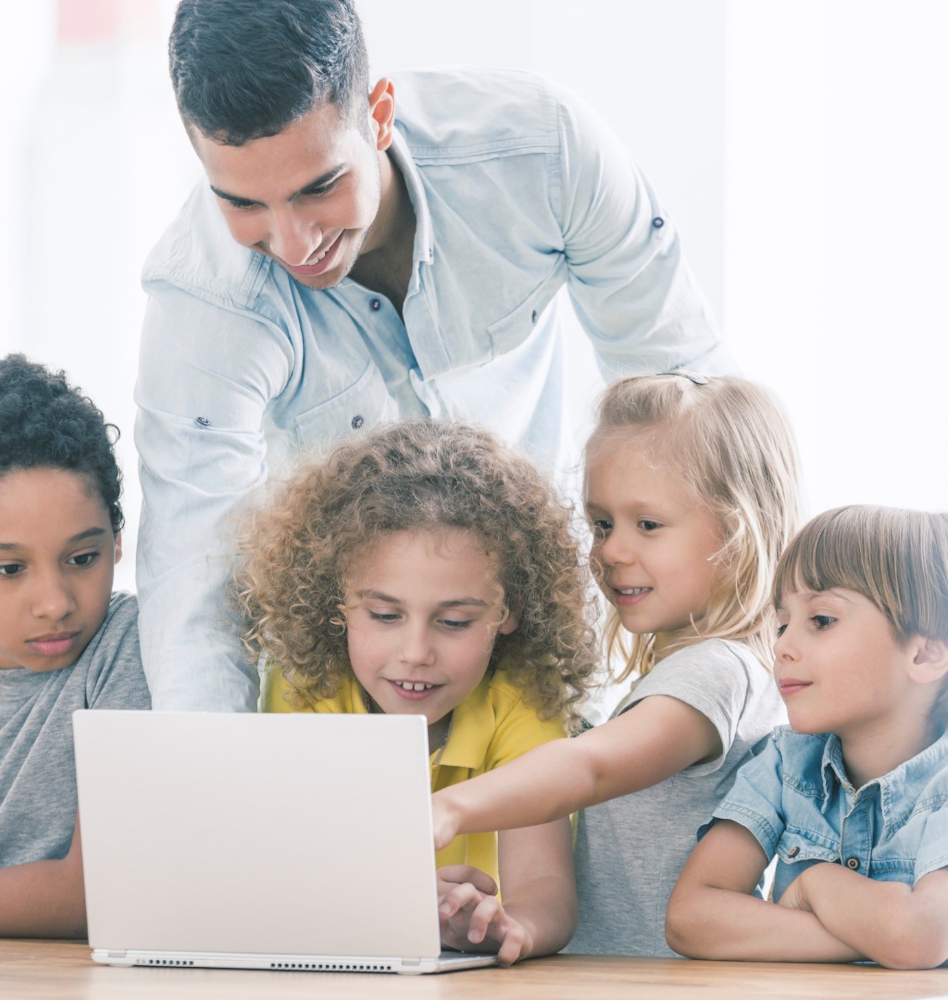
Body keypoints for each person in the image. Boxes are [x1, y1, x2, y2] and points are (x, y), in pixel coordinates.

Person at [135, 0, 734, 712]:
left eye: (319, 187)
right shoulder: (206, 299)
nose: (294, 243)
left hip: (539, 645)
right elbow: (194, 584)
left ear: (379, 114)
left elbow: (689, 420)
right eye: (243, 205)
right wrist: (209, 769)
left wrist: (708, 684)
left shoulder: (545, 153)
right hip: (343, 683)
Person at [431, 372, 803, 957]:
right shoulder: (694, 670)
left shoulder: (715, 672)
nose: (610, 550)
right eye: (602, 524)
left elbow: (591, 769)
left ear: (735, 535)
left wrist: (448, 808)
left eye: (647, 525)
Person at [230, 419, 597, 964]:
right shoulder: (306, 685)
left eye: (453, 622)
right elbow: (287, 875)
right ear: (336, 599)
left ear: (509, 611)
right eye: (384, 615)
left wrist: (508, 928)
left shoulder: (524, 698)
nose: (416, 652)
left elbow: (545, 889)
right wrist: (399, 905)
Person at [665, 505, 948, 969]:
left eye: (821, 620)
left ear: (925, 655)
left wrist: (817, 884)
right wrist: (874, 937)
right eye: (782, 624)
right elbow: (689, 917)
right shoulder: (784, 763)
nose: (780, 646)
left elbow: (920, 936)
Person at [0, 355, 151, 937]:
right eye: (10, 569)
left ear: (117, 542)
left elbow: (99, 889)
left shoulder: (128, 646)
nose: (55, 602)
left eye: (82, 558)